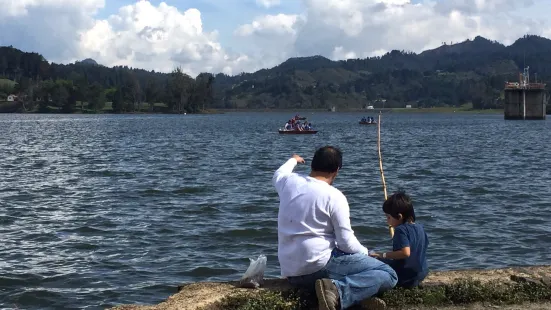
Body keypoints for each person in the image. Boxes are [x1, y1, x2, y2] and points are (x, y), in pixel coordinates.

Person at [273, 147, 397, 310]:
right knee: (388, 273)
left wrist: (293, 160)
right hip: (318, 267)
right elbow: (346, 243)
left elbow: (279, 173)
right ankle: (338, 291)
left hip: (291, 271)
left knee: (351, 260)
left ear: (312, 165)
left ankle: (353, 300)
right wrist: (368, 253)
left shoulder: (287, 182)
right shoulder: (335, 196)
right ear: (337, 170)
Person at [369, 191, 429, 288]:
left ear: (399, 216)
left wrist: (383, 255)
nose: (387, 220)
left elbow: (405, 253)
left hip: (405, 275)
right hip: (421, 273)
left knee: (371, 256)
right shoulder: (420, 227)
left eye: (388, 217)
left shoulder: (400, 230)